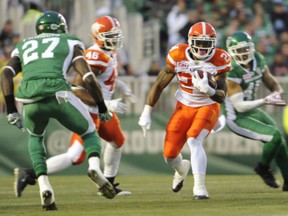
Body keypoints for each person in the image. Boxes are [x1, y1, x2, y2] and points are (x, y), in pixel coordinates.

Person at [1, 11, 116, 211]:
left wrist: (11, 108)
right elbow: (88, 77)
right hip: (58, 94)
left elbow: (6, 73)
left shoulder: (24, 45)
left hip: (29, 99)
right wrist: (103, 107)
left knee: (35, 138)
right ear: (60, 28)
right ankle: (95, 168)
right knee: (89, 130)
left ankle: (44, 186)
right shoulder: (70, 41)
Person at [138, 21, 231, 199]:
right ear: (190, 42)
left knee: (194, 140)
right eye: (199, 44)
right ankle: (182, 169)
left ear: (214, 43)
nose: (203, 49)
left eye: (207, 44)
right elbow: (159, 84)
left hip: (207, 105)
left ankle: (200, 187)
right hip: (184, 105)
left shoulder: (220, 59)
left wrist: (209, 90)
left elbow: (222, 96)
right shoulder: (178, 54)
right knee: (169, 155)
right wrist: (146, 111)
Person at [224, 31, 288, 191]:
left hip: (252, 111)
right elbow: (239, 106)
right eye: (239, 50)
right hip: (236, 116)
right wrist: (266, 100)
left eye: (246, 48)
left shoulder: (258, 59)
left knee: (280, 141)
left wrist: (278, 90)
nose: (244, 53)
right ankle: (262, 167)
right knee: (275, 136)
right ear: (232, 52)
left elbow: (268, 79)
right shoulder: (231, 69)